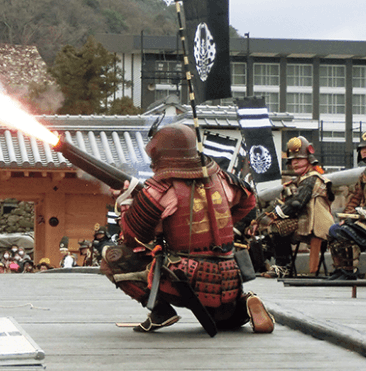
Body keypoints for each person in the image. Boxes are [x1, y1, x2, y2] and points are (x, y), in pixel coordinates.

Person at [102, 123, 274, 334]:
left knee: (113, 258)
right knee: (222, 321)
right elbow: (248, 201)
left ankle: (160, 312)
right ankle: (245, 303)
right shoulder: (223, 179)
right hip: (230, 278)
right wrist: (226, 226)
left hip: (185, 279)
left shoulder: (158, 191)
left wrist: (127, 205)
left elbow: (132, 238)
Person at [252, 136, 334, 278]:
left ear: (309, 159)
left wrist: (273, 216)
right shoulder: (299, 180)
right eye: (292, 160)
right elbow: (281, 202)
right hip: (305, 220)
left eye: (299, 159)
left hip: (316, 224)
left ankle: (283, 266)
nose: (294, 163)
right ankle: (277, 264)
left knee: (278, 226)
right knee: (269, 230)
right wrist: (259, 219)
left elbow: (296, 203)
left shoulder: (312, 179)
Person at [326, 132, 366, 279]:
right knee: (335, 229)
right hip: (362, 220)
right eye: (363, 148)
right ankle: (341, 268)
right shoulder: (364, 175)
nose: (364, 151)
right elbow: (355, 199)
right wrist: (348, 215)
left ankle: (350, 271)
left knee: (343, 232)